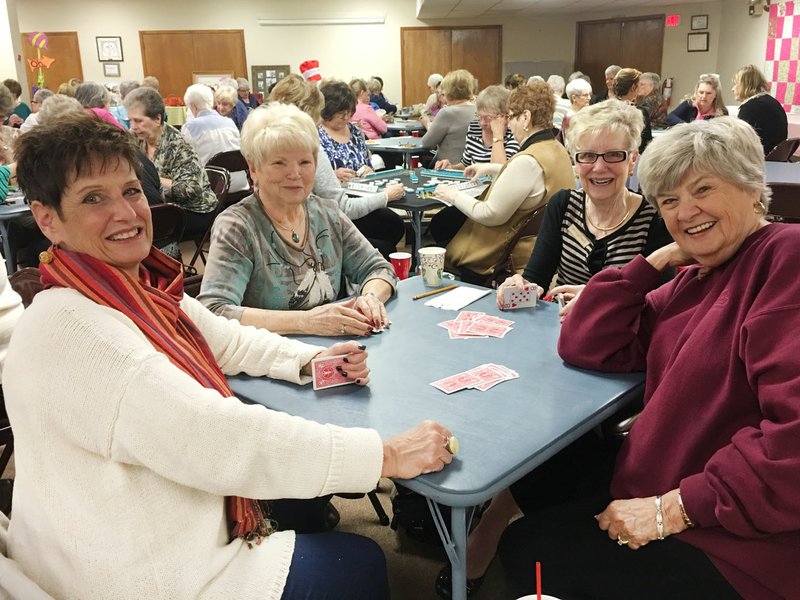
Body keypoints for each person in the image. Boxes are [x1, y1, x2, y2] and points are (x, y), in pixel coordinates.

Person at [6, 112, 455, 599]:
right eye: (94, 198)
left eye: (132, 191)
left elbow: (227, 337)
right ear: (47, 218)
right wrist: (384, 455)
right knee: (361, 560)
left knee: (304, 510)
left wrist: (310, 362)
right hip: (139, 571)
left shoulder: (130, 292)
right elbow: (217, 439)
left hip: (143, 531)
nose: (126, 212)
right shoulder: (80, 331)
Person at [500, 115, 799, 600]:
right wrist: (650, 263)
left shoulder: (785, 259)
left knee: (527, 547)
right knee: (540, 473)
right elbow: (586, 343)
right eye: (670, 201)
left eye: (703, 189)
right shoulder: (694, 275)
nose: (686, 212)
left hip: (740, 540)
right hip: (667, 478)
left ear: (751, 188)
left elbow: (793, 443)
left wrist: (672, 510)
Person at [198, 102, 397, 337]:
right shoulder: (237, 226)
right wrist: (306, 322)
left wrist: (371, 297)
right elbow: (214, 312)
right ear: (253, 169)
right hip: (271, 359)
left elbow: (377, 268)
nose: (294, 174)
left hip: (337, 351)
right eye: (279, 163)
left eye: (304, 162)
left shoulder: (327, 213)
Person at [496, 99, 672, 318]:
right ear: (576, 163)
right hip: (560, 331)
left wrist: (598, 300)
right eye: (587, 155)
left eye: (613, 154)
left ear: (632, 161)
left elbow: (660, 304)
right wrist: (519, 284)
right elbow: (537, 281)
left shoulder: (654, 218)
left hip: (621, 338)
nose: (599, 167)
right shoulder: (563, 205)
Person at [431, 81, 574, 282]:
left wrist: (451, 194)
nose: (509, 123)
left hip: (498, 256)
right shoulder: (555, 148)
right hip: (542, 246)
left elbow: (490, 214)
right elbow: (532, 182)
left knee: (444, 224)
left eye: (512, 116)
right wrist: (493, 168)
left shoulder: (527, 161)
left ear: (526, 118)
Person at [270, 75, 405, 259]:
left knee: (390, 224)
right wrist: (385, 196)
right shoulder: (310, 149)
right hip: (314, 235)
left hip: (292, 231)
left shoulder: (267, 145)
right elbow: (342, 207)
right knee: (385, 248)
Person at [124, 86, 217, 237]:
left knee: (138, 225)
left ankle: (160, 258)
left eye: (138, 121)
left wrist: (153, 180)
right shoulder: (135, 138)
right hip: (162, 206)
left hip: (193, 211)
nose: (133, 127)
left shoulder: (178, 145)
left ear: (157, 119)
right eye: (131, 121)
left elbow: (191, 189)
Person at [434, 84, 519, 170]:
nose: (482, 123)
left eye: (488, 118)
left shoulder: (513, 134)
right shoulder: (474, 127)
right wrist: (451, 168)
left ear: (505, 116)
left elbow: (499, 172)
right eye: (479, 116)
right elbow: (466, 165)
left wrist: (497, 136)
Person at [317, 80, 374, 183]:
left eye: (349, 112)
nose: (347, 117)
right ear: (328, 110)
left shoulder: (355, 132)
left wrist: (369, 171)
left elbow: (368, 164)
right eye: (341, 113)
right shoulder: (315, 135)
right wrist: (333, 176)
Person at [420, 69, 477, 165]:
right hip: (471, 168)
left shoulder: (447, 113)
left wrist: (427, 124)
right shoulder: (478, 109)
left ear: (449, 91)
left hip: (448, 168)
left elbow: (426, 143)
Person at [732, 64, 788, 156]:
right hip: (777, 158)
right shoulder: (772, 102)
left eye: (736, 84)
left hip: (761, 160)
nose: (733, 89)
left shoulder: (750, 107)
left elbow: (739, 143)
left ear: (746, 85)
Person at [612, 68, 652, 153]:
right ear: (633, 87)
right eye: (640, 84)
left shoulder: (605, 109)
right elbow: (646, 142)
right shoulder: (640, 112)